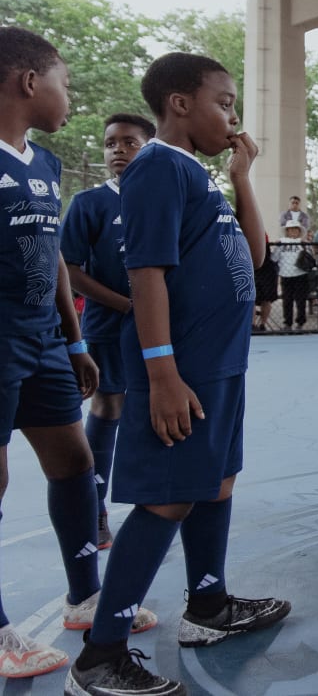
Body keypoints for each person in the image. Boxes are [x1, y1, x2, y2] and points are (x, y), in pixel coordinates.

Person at [65, 52, 292, 695]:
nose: (233, 115)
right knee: (167, 497)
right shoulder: (157, 168)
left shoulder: (200, 176)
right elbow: (146, 275)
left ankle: (209, 607)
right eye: (224, 102)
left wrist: (243, 176)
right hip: (184, 368)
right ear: (181, 104)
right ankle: (99, 656)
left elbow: (252, 255)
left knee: (214, 482)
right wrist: (162, 372)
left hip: (220, 365)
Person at [0, 27, 157, 682]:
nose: (71, 97)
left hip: (43, 344)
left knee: (74, 458)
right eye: (64, 82)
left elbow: (55, 261)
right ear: (29, 82)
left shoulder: (43, 163)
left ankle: (83, 594)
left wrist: (72, 338)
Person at [61, 112, 156, 549]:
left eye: (130, 142)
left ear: (148, 148)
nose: (118, 149)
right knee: (108, 407)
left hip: (160, 329)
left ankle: (158, 502)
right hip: (107, 325)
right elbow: (71, 270)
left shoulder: (163, 197)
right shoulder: (89, 203)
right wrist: (127, 305)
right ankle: (95, 511)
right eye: (111, 143)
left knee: (160, 409)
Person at [273, 220, 310, 331]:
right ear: (287, 231)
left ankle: (300, 322)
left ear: (299, 231)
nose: (293, 231)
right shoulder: (281, 243)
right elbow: (274, 258)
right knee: (287, 300)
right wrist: (277, 246)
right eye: (291, 229)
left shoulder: (303, 243)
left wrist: (307, 244)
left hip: (300, 274)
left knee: (301, 300)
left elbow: (310, 257)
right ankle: (287, 323)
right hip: (286, 274)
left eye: (295, 229)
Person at [252, 230, 278, 332]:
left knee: (267, 299)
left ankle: (262, 324)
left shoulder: (260, 231)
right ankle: (252, 324)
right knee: (251, 299)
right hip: (252, 269)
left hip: (266, 269)